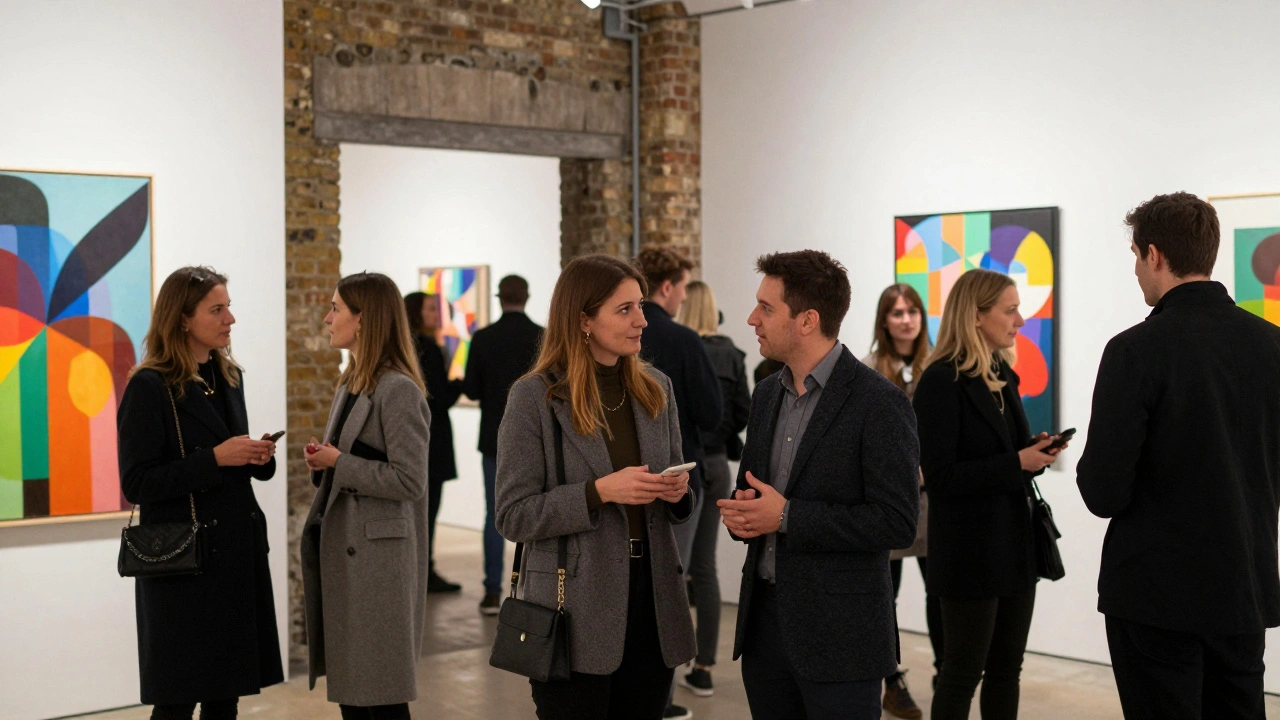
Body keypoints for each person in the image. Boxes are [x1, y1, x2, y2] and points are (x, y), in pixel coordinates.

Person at [1076, 192, 1280, 719]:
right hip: (1243, 588)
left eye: (1136, 259)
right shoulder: (1271, 345)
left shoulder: (1135, 350)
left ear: (1155, 255)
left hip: (1156, 597)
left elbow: (1103, 491)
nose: (1137, 273)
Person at [718, 250, 921, 720]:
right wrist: (742, 513)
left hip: (841, 637)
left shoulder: (880, 403)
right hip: (765, 629)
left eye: (766, 308)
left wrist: (786, 516)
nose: (752, 318)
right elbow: (754, 492)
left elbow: (897, 522)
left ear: (807, 320)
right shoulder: (768, 394)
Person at [495, 254, 696, 720]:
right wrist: (598, 492)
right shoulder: (536, 397)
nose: (642, 320)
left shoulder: (655, 388)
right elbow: (512, 514)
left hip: (652, 600)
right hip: (574, 608)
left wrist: (678, 493)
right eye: (624, 309)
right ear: (583, 319)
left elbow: (677, 497)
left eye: (640, 306)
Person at [117, 266, 282, 720]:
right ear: (183, 318)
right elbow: (137, 483)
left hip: (233, 555)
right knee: (176, 699)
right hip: (184, 564)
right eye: (217, 308)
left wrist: (256, 457)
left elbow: (231, 463)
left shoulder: (228, 377)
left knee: (224, 695)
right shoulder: (149, 387)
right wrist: (215, 459)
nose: (230, 318)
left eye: (228, 306)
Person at [911, 269, 1067, 720]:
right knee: (962, 673)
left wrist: (1034, 449)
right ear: (977, 316)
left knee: (1006, 671)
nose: (1020, 319)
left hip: (1014, 546)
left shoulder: (1001, 371)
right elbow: (939, 477)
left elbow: (1005, 451)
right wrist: (1016, 462)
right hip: (968, 553)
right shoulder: (941, 382)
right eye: (1011, 309)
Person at [302, 272, 432, 719]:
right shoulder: (352, 383)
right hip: (349, 554)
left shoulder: (398, 390)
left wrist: (338, 463)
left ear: (364, 319)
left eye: (336, 308)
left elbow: (409, 481)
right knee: (357, 699)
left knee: (379, 699)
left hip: (379, 565)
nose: (327, 318)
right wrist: (326, 461)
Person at [633, 244, 721, 720]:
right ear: (667, 287)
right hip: (675, 481)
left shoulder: (613, 340)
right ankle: (660, 698)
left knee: (635, 586)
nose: (684, 297)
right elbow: (711, 413)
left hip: (625, 482)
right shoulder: (685, 341)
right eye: (684, 287)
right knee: (670, 585)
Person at [861, 283, 939, 718]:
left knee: (940, 591)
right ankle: (891, 679)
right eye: (897, 312)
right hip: (890, 501)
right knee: (884, 593)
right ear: (884, 320)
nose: (906, 319)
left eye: (912, 311)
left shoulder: (939, 366)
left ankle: (946, 671)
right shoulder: (869, 369)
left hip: (935, 499)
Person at [674, 281, 750, 698]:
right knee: (704, 566)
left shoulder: (679, 348)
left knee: (674, 567)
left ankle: (668, 668)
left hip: (684, 465)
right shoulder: (733, 354)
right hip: (718, 463)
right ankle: (703, 666)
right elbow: (741, 411)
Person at [462, 274, 545, 615]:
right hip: (539, 439)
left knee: (494, 515)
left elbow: (471, 390)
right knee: (540, 512)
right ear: (526, 296)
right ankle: (532, 589)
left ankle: (493, 591)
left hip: (494, 439)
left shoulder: (483, 338)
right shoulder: (542, 336)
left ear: (499, 298)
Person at [404, 291, 464, 593]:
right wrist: (459, 382)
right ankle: (425, 572)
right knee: (427, 511)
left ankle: (418, 570)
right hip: (432, 438)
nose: (435, 315)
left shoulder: (405, 349)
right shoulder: (427, 348)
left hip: (416, 438)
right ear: (416, 313)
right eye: (430, 309)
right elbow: (439, 398)